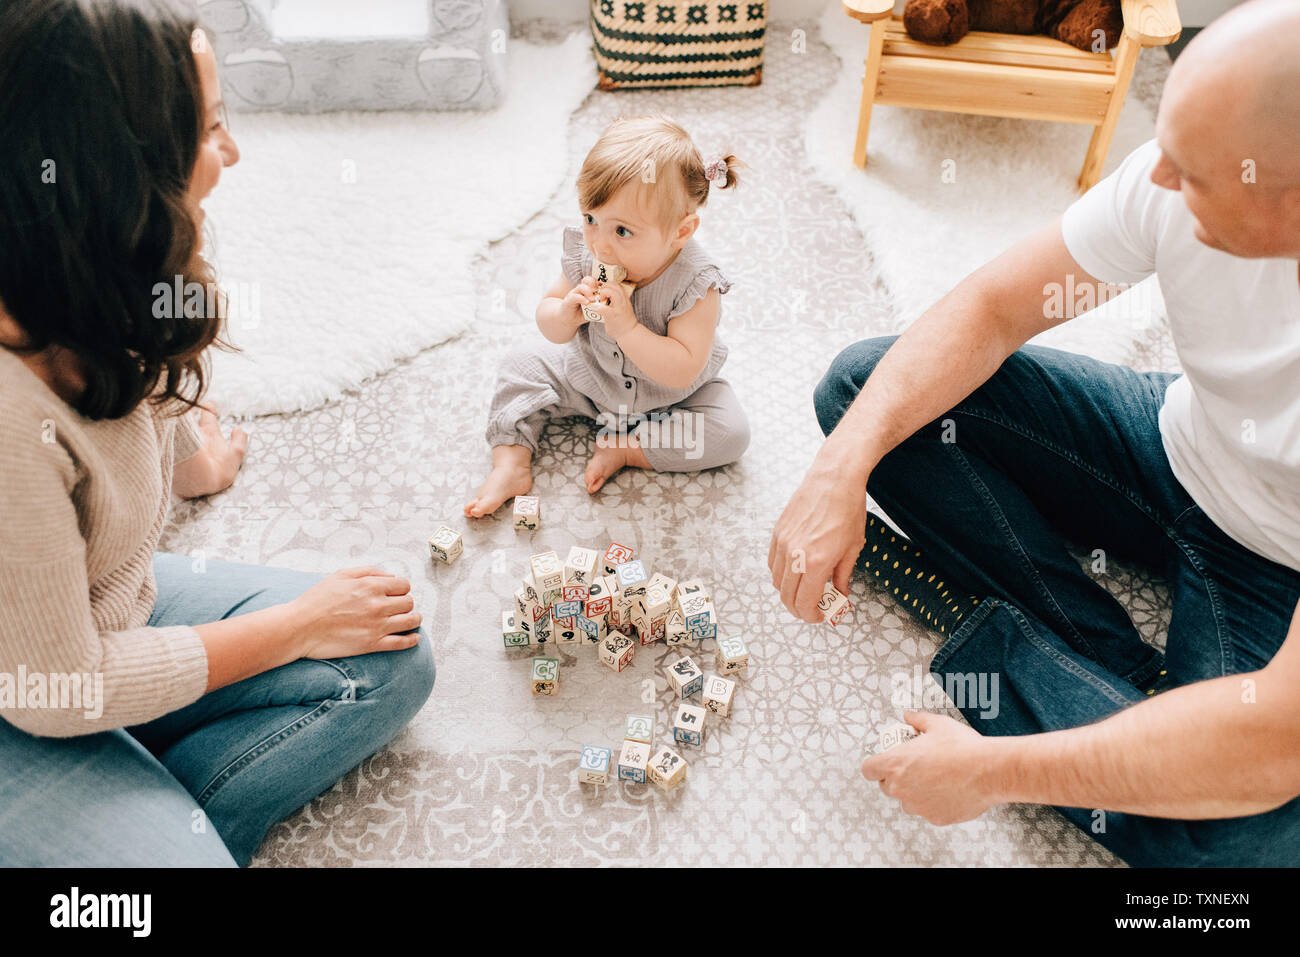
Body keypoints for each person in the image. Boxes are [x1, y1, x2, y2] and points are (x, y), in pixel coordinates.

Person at [768, 0, 1300, 866]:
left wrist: (991, 770)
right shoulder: (1176, 172)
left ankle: (1012, 648)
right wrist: (837, 474)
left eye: (1193, 171)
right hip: (1173, 442)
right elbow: (993, 306)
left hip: (1278, 564)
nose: (1157, 178)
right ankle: (1119, 693)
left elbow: (1279, 737)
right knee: (865, 391)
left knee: (1239, 845)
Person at [0, 0, 435, 867]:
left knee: (390, 654)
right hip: (32, 683)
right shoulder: (11, 416)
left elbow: (137, 412)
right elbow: (55, 688)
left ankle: (130, 806)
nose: (231, 153)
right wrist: (297, 624)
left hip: (99, 615)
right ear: (120, 168)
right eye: (211, 130)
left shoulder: (101, 262)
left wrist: (187, 466)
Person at [465, 114, 751, 515]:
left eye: (622, 231)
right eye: (590, 219)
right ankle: (511, 462)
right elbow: (549, 320)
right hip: (590, 378)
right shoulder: (589, 254)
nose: (600, 244)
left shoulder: (696, 283)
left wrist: (628, 329)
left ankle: (629, 448)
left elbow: (683, 368)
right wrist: (566, 314)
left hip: (674, 399)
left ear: (681, 232)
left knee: (731, 433)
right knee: (520, 363)